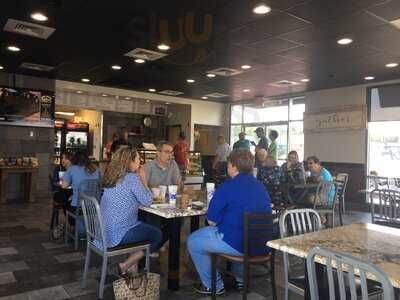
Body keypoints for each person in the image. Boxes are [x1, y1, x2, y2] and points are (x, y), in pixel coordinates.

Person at [188, 149, 272, 295]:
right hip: (263, 244)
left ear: (233, 166)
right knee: (241, 232)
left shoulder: (227, 186)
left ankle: (214, 285)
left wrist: (223, 220)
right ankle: (240, 280)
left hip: (239, 245)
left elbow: (212, 220)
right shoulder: (260, 186)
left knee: (194, 240)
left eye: (228, 165)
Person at [99, 147, 162, 275]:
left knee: (140, 227)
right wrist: (143, 180)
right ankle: (125, 265)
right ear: (130, 161)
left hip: (102, 232)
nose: (140, 161)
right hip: (118, 234)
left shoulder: (112, 177)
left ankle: (133, 269)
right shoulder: (132, 179)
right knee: (157, 235)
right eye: (138, 158)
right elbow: (148, 201)